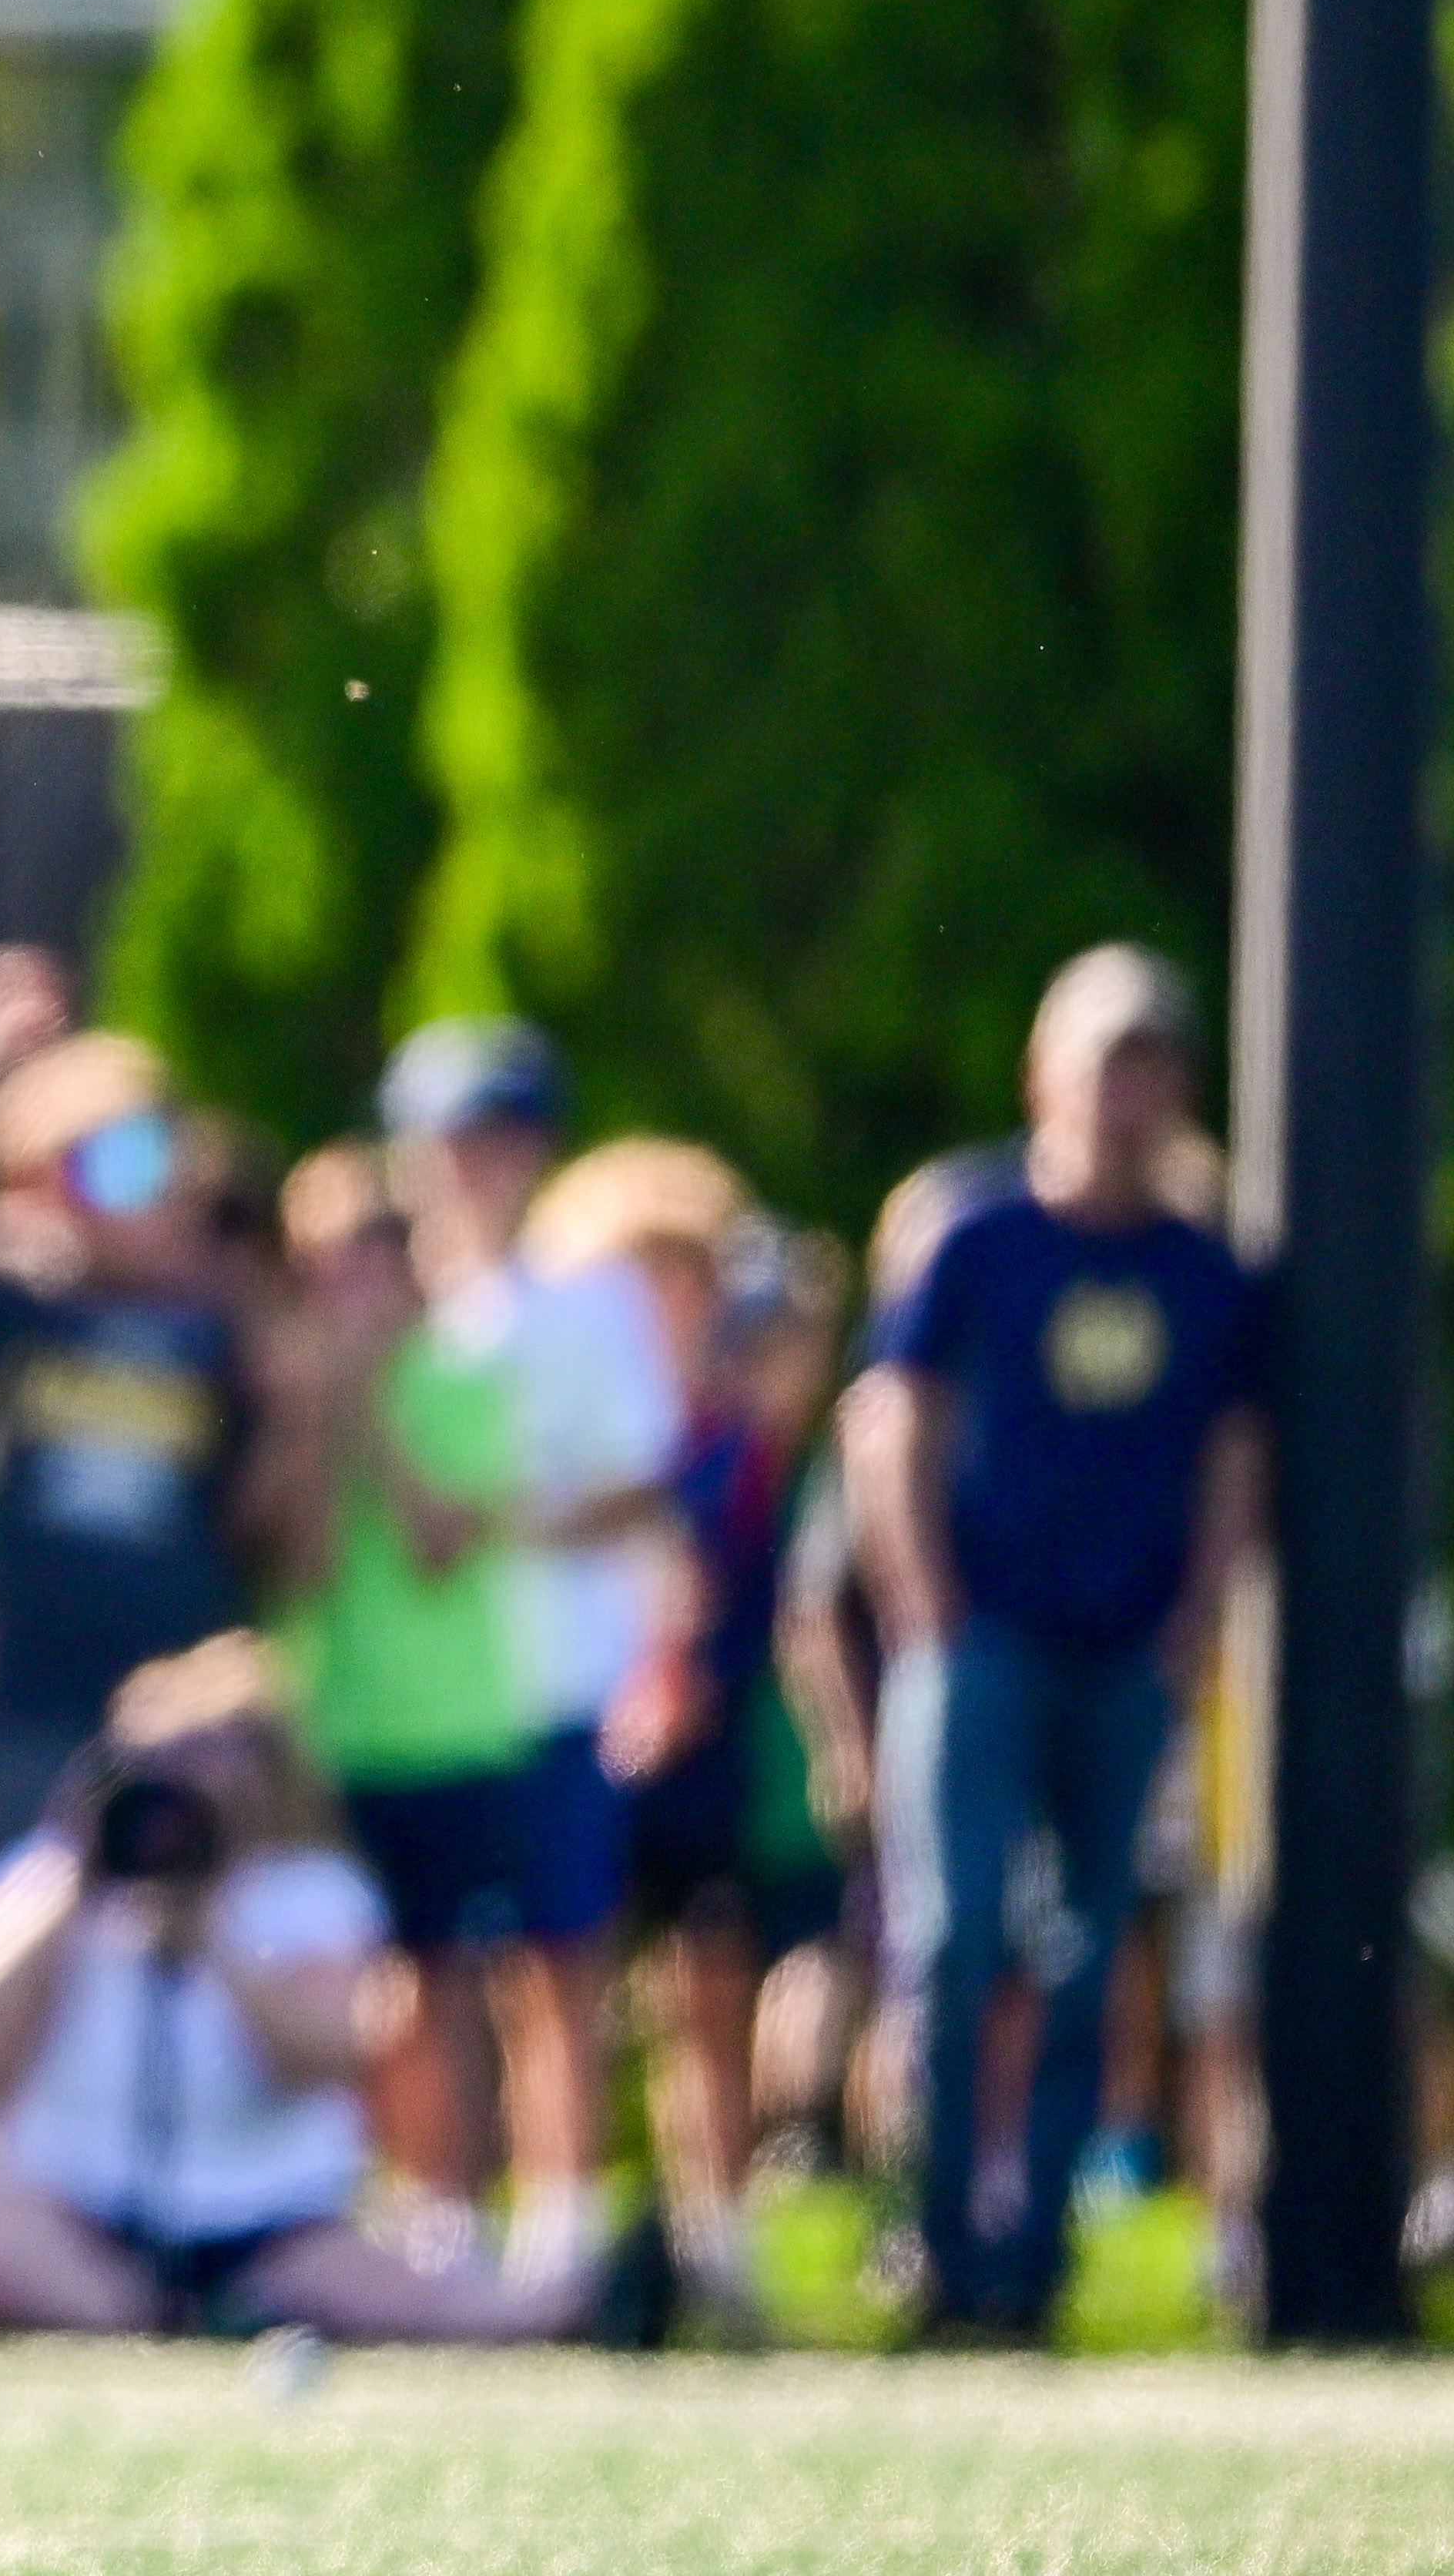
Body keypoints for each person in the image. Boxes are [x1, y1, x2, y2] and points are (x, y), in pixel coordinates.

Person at [846, 944, 1267, 2341]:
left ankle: (1037, 2257)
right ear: (1046, 1075)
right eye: (1107, 1061)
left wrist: (1196, 1613)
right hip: (987, 1639)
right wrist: (926, 1604)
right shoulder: (976, 1240)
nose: (1129, 1095)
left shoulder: (1205, 1274)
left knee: (1093, 1953)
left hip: (1122, 1648)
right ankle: (940, 2235)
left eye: (1155, 1065)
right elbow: (892, 1415)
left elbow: (1229, 1447)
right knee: (956, 1935)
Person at [0, 1636, 591, 2342]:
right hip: (72, 2207)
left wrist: (216, 1931)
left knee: (449, 2306)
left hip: (267, 2223)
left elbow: (328, 2055)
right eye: (166, 1761)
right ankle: (130, 2313)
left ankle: (184, 2312)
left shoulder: (312, 1893)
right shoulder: (43, 1879)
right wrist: (73, 1874)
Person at [391, 1023, 679, 2280]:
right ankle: (438, 2217)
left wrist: (498, 1520)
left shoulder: (593, 1302)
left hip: (556, 1680)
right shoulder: (389, 1308)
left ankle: (561, 2220)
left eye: (502, 1135)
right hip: (416, 1698)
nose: (478, 1163)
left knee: (559, 1964)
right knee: (428, 1969)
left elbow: (637, 1479)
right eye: (457, 1136)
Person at [0, 1025, 276, 1877]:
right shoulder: (10, 1313)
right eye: (112, 1160)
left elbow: (264, 1512)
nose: (155, 1183)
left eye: (163, 1152)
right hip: (26, 1709)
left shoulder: (224, 1328)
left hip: (178, 1716)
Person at [265, 1136, 535, 2256]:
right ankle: (348, 2198)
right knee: (334, 1982)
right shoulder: (291, 1395)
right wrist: (320, 1419)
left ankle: (456, 2214)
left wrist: (366, 1405)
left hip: (449, 1728)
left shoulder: (468, 1379)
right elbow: (307, 1559)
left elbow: (437, 1541)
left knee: (450, 1981)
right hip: (329, 1730)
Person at [613, 1214, 847, 2324]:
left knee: (735, 1988)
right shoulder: (681, 1449)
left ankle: (730, 2231)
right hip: (672, 1756)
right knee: (668, 1992)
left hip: (750, 1770)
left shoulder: (788, 1462)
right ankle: (684, 2233)